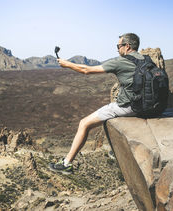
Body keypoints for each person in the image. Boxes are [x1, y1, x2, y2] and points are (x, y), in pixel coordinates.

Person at [49, 33, 144, 174]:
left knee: (84, 123)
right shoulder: (145, 59)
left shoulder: (120, 61)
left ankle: (67, 163)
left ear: (127, 46)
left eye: (118, 46)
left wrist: (67, 64)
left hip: (130, 106)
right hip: (148, 105)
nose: (117, 49)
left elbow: (86, 70)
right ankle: (116, 151)